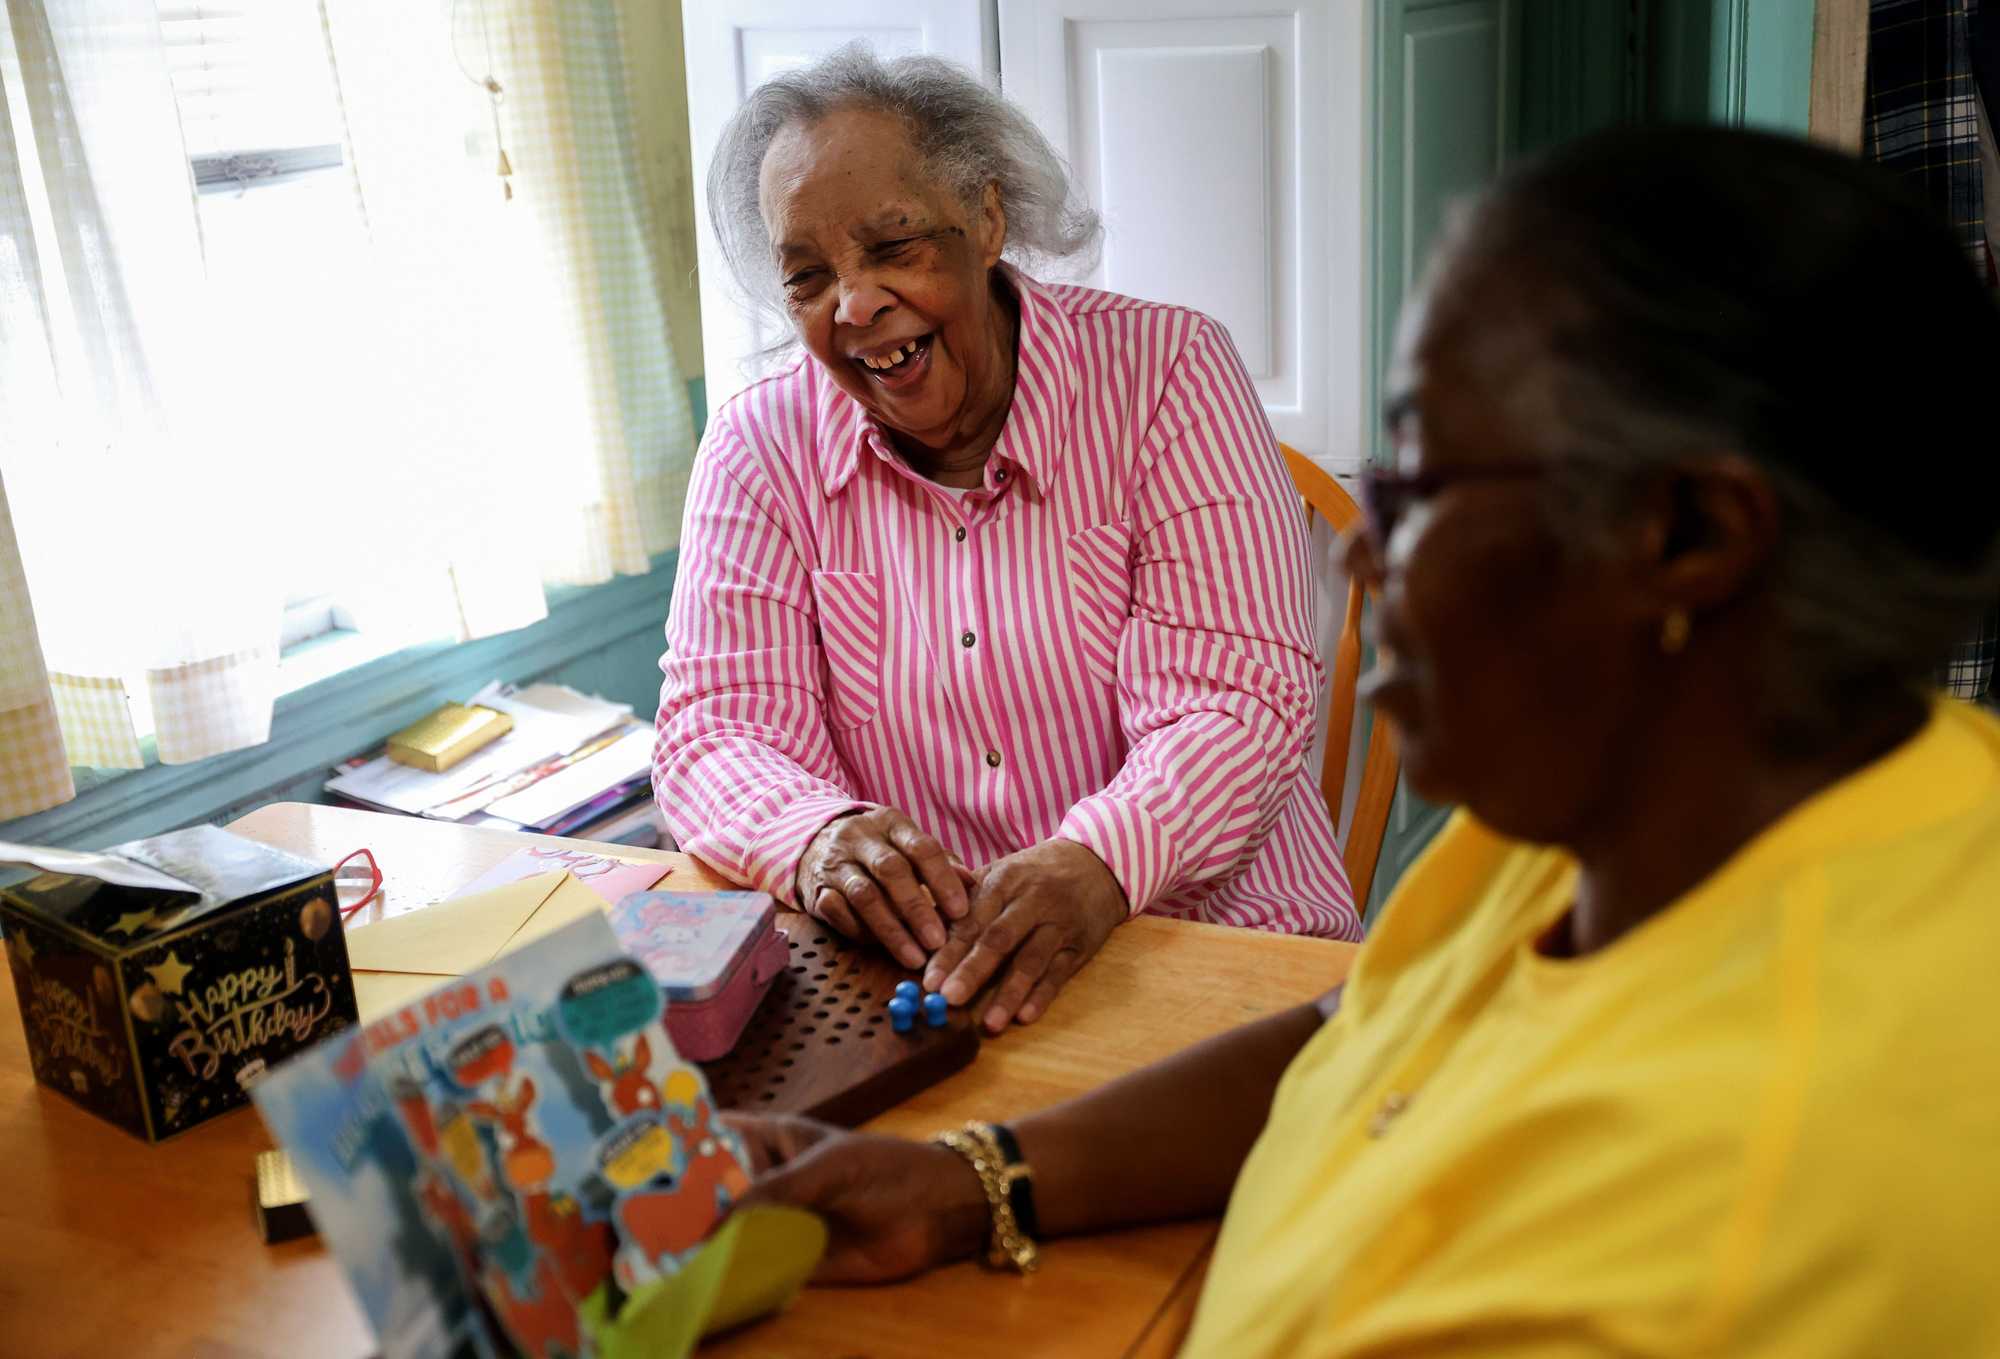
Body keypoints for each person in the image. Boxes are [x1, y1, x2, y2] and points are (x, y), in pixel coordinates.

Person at [718, 127, 2000, 1355]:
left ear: (1685, 540)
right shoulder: (1678, 798)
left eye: (1423, 481)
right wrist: (971, 1182)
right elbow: (1371, 1025)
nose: (1356, 550)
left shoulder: (1725, 1223)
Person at [653, 46, 1359, 1038]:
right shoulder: (757, 443)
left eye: (892, 247)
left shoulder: (1166, 372)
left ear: (986, 219)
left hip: (1215, 952)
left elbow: (1234, 702)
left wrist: (1100, 864)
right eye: (809, 277)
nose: (853, 305)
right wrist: (817, 837)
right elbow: (718, 728)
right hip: (933, 990)